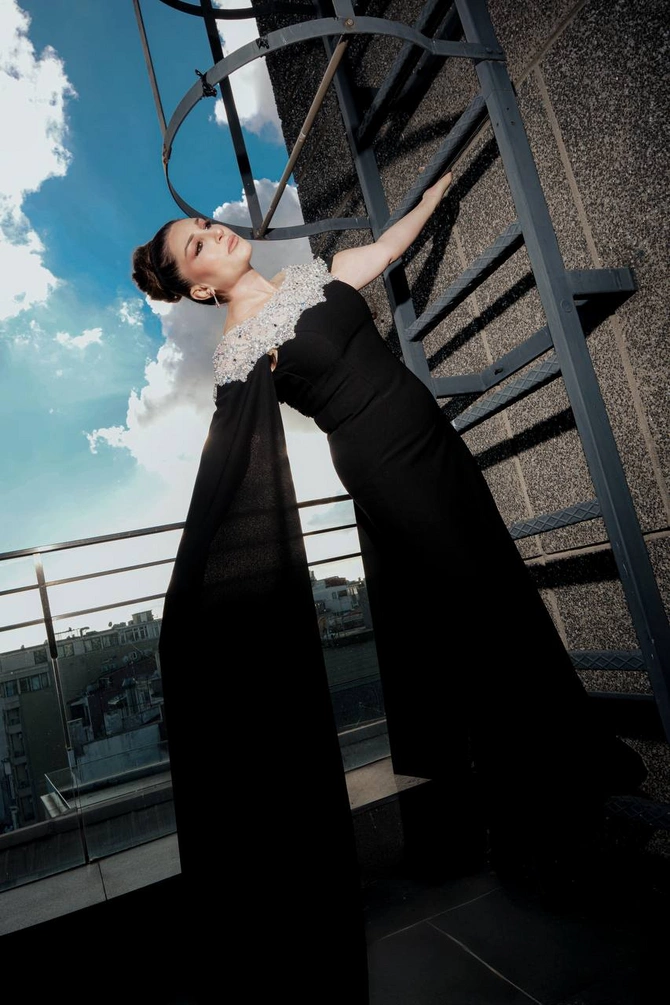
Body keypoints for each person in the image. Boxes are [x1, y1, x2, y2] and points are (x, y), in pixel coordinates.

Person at [132, 172, 646, 1001]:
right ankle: (548, 835)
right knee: (481, 623)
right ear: (197, 285)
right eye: (197, 243)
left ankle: (566, 795)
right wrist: (200, 591)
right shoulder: (240, 347)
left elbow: (388, 246)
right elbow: (229, 465)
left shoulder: (316, 278)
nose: (214, 231)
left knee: (502, 597)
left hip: (430, 436)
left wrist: (438, 189)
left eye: (204, 222)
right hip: (384, 467)